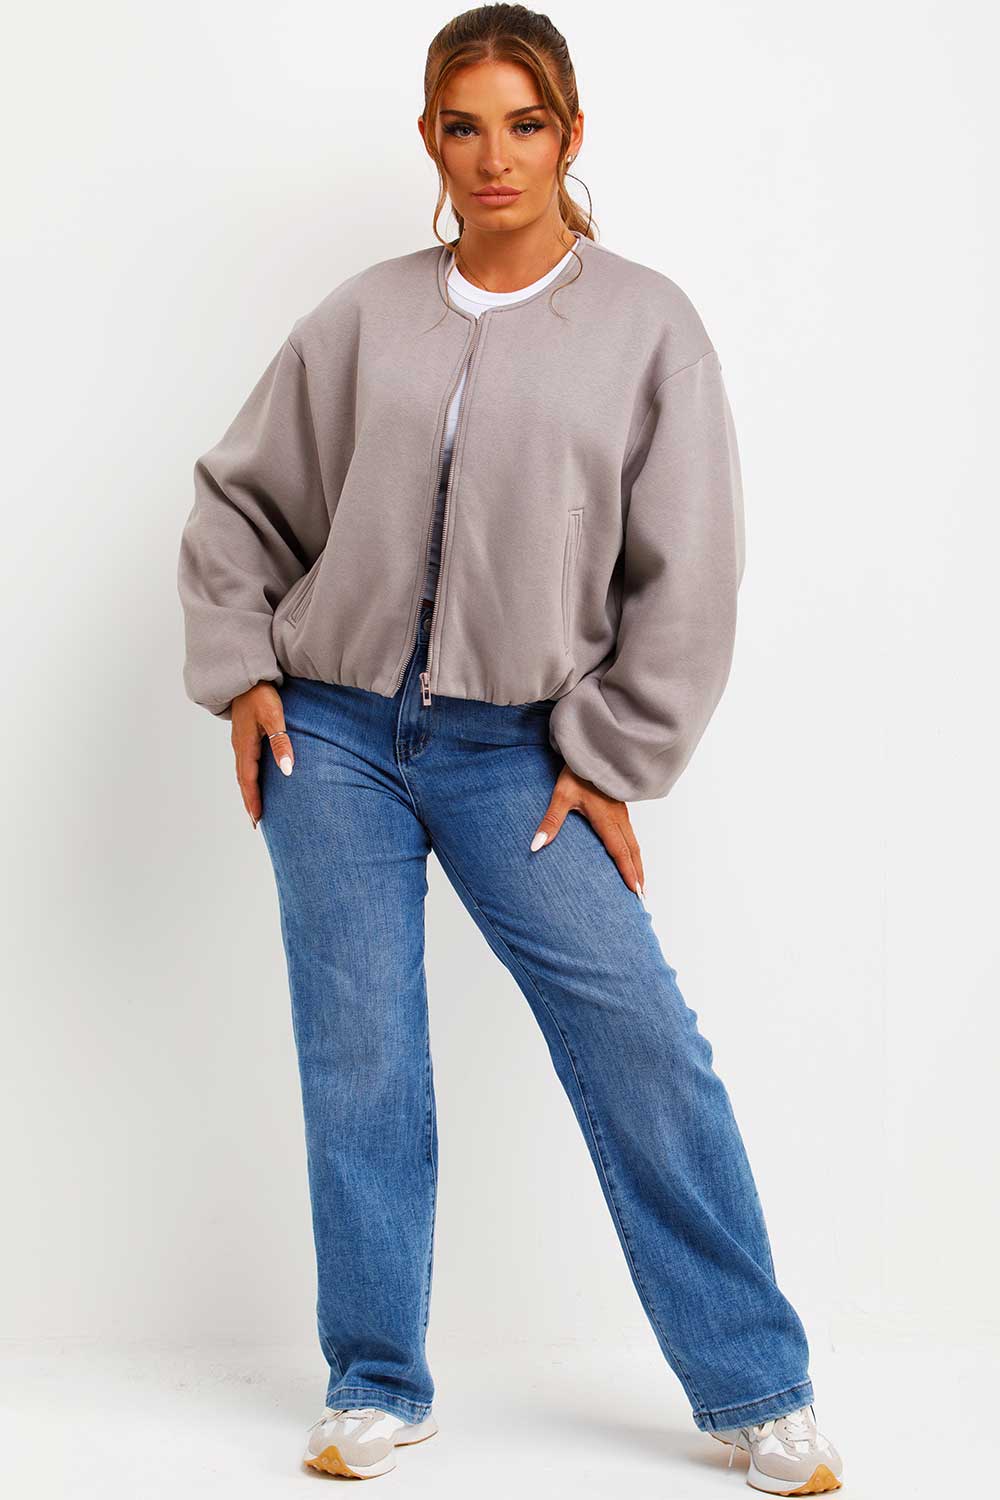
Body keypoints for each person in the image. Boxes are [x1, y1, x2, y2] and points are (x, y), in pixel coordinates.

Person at [176, 5, 844, 1493]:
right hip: (332, 737)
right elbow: (240, 501)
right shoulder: (364, 317)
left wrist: (609, 752)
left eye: (525, 125)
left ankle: (757, 1386)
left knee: (641, 1042)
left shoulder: (648, 328)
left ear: (570, 134)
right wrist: (243, 675)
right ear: (430, 138)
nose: (495, 157)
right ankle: (375, 1383)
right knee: (360, 1057)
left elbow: (691, 571)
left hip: (516, 752)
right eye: (464, 126)